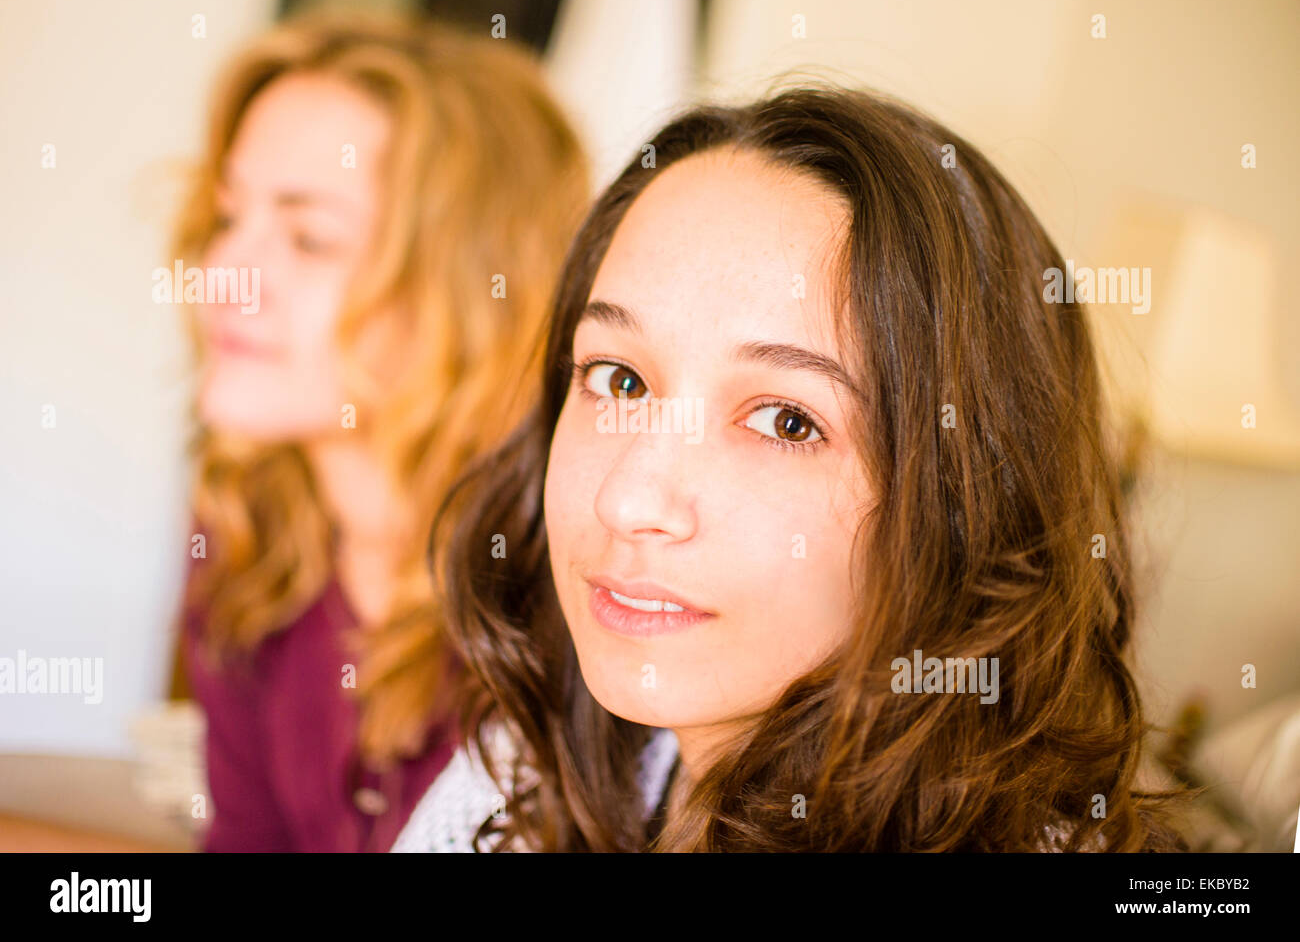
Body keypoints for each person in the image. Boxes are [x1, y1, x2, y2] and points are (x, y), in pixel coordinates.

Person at [394, 85, 1187, 852]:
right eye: (619, 378)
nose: (628, 496)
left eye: (786, 421)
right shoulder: (512, 784)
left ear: (963, 507)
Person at [171, 11, 588, 851]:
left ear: (470, 295)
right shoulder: (248, 533)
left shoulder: (574, 590)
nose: (220, 276)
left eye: (308, 237)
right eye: (227, 219)